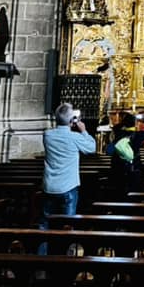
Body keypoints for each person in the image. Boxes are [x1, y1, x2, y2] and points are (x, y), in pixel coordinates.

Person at [40, 102, 96, 252]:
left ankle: (41, 255)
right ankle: (64, 254)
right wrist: (83, 131)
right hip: (68, 187)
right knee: (68, 224)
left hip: (50, 186)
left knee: (45, 223)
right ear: (72, 121)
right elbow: (92, 148)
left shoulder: (47, 135)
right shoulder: (74, 137)